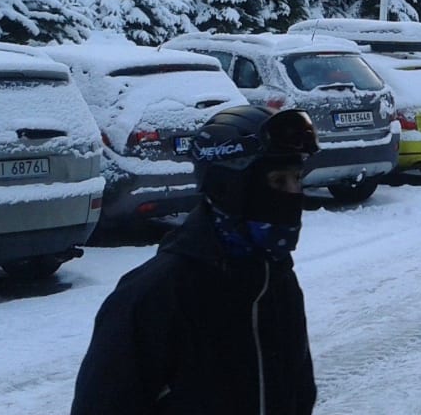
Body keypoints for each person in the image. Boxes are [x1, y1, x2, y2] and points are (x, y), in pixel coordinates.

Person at [70, 105, 319, 415]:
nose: (294, 194)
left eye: (298, 179)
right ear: (229, 188)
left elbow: (298, 394)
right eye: (279, 182)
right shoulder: (153, 296)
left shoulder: (276, 279)